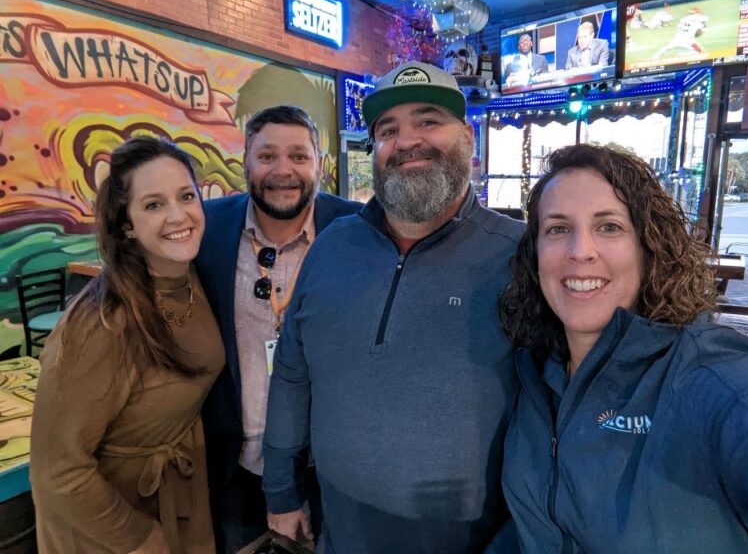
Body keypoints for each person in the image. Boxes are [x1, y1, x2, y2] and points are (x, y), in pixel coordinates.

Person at [262, 61, 525, 554]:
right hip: (337, 529)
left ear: (468, 137)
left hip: (472, 540)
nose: (406, 141)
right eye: (388, 130)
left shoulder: (520, 256)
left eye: (428, 120)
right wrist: (280, 491)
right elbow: (293, 374)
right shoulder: (332, 246)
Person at [495, 144, 748, 553]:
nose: (580, 250)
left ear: (648, 247)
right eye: (557, 228)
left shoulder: (712, 380)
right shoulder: (535, 374)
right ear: (534, 255)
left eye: (608, 227)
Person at [30, 136, 225, 554]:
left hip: (181, 500)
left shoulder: (189, 275)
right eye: (154, 204)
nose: (178, 215)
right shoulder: (103, 322)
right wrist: (139, 537)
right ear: (127, 225)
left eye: (186, 196)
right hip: (114, 524)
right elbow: (57, 471)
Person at [195, 105, 361, 552]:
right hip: (235, 468)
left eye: (298, 157)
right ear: (245, 161)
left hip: (330, 470)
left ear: (320, 165)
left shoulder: (357, 231)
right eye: (267, 156)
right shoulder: (206, 229)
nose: (282, 171)